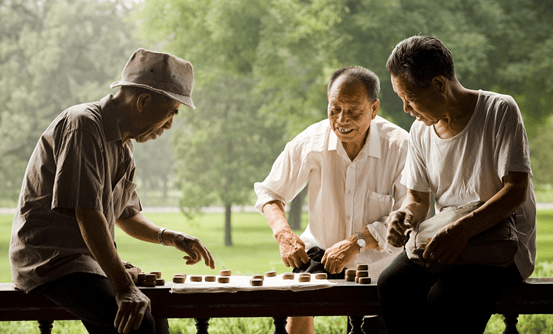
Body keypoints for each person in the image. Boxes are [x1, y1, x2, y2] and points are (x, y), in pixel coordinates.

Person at [9, 48, 215, 334]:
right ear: (143, 101)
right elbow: (88, 214)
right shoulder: (83, 125)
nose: (169, 125)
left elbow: (127, 216)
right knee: (137, 323)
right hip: (51, 264)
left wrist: (171, 237)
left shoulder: (124, 145)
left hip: (84, 264)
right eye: (171, 113)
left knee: (157, 314)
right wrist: (124, 287)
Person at [377, 36, 537, 334]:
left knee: (444, 298)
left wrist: (463, 230)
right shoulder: (420, 132)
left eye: (409, 97)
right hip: (448, 242)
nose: (405, 109)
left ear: (439, 85)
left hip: (501, 247)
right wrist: (404, 215)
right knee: (392, 285)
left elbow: (516, 190)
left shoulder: (499, 110)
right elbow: (417, 198)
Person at [255, 66, 409, 334]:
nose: (341, 119)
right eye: (334, 108)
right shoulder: (311, 141)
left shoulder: (400, 146)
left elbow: (408, 217)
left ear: (374, 109)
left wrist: (357, 242)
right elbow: (270, 193)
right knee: (298, 299)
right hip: (322, 251)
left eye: (353, 110)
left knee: (376, 327)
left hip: (380, 265)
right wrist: (283, 234)